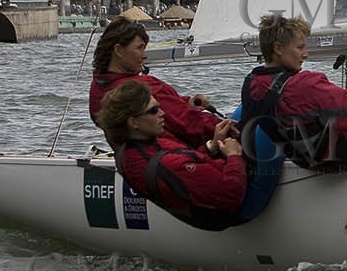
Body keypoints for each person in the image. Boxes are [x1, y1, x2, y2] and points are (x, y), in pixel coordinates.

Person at [240, 14, 347, 175]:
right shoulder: (305, 84)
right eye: (300, 48)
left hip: (300, 159)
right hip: (330, 161)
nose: (305, 54)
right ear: (278, 48)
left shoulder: (250, 83)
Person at [95, 81, 245, 230]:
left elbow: (187, 165)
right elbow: (232, 192)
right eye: (154, 110)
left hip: (207, 191)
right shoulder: (169, 164)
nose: (163, 113)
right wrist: (234, 156)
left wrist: (212, 146)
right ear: (134, 122)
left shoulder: (131, 149)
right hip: (231, 205)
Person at [88, 17, 235, 150]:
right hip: (175, 161)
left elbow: (171, 113)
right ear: (119, 50)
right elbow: (189, 123)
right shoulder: (142, 88)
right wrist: (230, 127)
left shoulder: (97, 88)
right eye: (139, 48)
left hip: (134, 164)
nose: (145, 55)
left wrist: (186, 103)